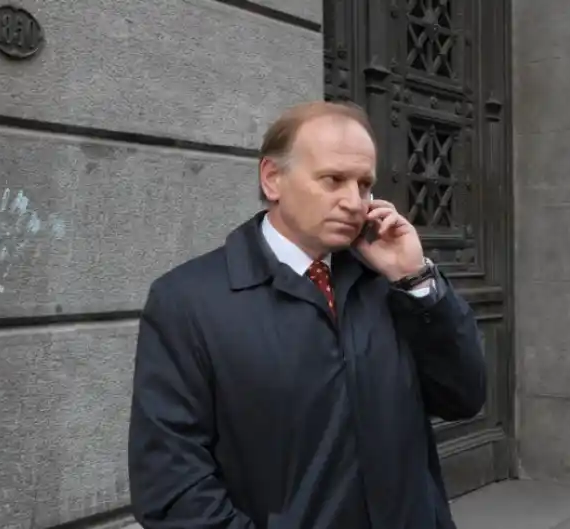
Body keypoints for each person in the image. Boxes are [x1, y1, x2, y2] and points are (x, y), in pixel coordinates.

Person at [127, 101, 486, 529]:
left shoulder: (389, 284)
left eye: (364, 184)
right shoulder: (187, 301)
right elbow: (171, 486)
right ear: (272, 178)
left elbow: (464, 397)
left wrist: (416, 281)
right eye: (333, 180)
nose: (354, 202)